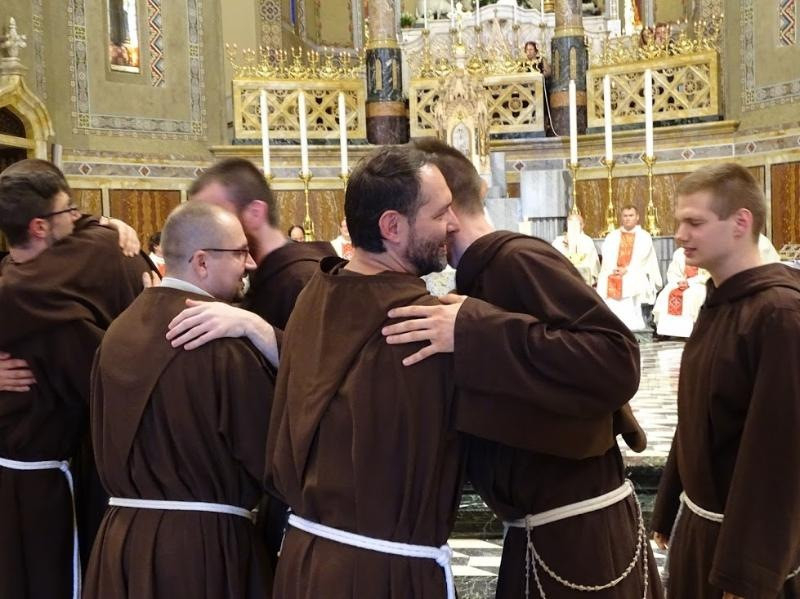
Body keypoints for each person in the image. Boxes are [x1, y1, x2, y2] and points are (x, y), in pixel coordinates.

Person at [384, 139, 658, 599]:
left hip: (585, 539)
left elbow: (616, 358)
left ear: (447, 209)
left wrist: (475, 332)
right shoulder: (479, 277)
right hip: (540, 533)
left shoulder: (516, 259)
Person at [83, 202, 277, 599]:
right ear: (202, 261)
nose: (251, 263)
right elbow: (274, 460)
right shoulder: (220, 341)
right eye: (240, 252)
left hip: (121, 543)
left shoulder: (117, 331)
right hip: (203, 550)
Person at [0, 160, 151, 599]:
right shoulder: (26, 290)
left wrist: (109, 221)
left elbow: (86, 227)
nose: (78, 216)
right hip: (32, 473)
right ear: (39, 226)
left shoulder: (40, 266)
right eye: (70, 209)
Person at [650, 163, 800, 599]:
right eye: (679, 222)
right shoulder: (720, 301)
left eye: (694, 222)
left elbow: (781, 453)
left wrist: (749, 574)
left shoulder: (779, 315)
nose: (679, 235)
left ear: (740, 222)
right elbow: (697, 413)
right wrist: (669, 503)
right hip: (702, 531)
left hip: (748, 552)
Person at [187, 158, 336, 330]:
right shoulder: (266, 274)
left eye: (215, 216)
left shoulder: (303, 279)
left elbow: (324, 347)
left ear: (255, 213)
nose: (204, 231)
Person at [597, 205, 662, 331]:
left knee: (629, 280)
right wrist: (614, 268)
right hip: (614, 271)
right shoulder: (612, 236)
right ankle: (610, 322)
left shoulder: (644, 236)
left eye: (631, 215)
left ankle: (632, 323)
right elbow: (607, 255)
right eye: (625, 216)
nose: (627, 218)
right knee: (605, 278)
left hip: (635, 271)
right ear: (621, 218)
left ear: (637, 217)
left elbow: (642, 257)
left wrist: (627, 269)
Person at [652, 247, 710, 338]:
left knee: (690, 295)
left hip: (699, 283)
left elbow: (708, 274)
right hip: (680, 282)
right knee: (666, 293)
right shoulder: (679, 252)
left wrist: (690, 282)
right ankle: (666, 331)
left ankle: (690, 332)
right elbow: (672, 272)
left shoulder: (707, 251)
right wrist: (679, 281)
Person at [551, 213, 601, 285]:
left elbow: (591, 264)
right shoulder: (558, 241)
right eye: (571, 224)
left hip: (581, 278)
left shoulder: (587, 241)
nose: (573, 227)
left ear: (582, 225)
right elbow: (553, 260)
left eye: (576, 224)